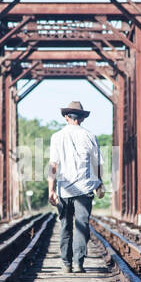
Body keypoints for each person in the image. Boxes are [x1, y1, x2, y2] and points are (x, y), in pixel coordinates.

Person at [47, 100, 104, 272]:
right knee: (82, 225)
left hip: (64, 189)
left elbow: (53, 165)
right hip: (85, 189)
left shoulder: (56, 137)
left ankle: (66, 263)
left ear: (66, 117)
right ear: (82, 119)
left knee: (65, 225)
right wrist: (99, 182)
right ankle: (78, 262)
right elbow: (97, 164)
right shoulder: (90, 136)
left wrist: (51, 189)